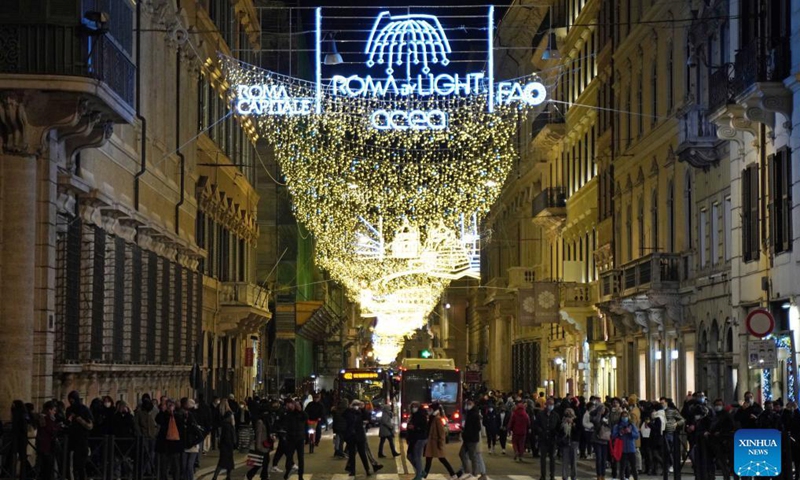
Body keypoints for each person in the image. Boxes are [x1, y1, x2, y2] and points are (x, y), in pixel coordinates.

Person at [423, 403, 457, 479]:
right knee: (429, 459)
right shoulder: (432, 417)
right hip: (431, 443)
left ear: (434, 410)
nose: (428, 411)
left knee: (442, 459)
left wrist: (441, 443)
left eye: (430, 409)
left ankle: (453, 474)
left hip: (435, 443)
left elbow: (441, 433)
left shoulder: (437, 419)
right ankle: (424, 475)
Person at [65, 391, 94, 480]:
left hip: (82, 440)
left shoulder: (84, 409)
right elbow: (67, 422)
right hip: (72, 440)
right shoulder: (69, 410)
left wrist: (81, 420)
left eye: (73, 400)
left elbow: (90, 425)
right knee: (71, 465)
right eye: (70, 400)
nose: (71, 402)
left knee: (81, 465)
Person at [458, 399, 487, 480]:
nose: (467, 405)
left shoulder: (474, 414)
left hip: (471, 439)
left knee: (473, 456)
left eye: (469, 404)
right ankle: (468, 471)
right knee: (463, 454)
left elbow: (477, 428)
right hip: (467, 438)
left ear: (473, 404)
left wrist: (468, 432)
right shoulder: (470, 413)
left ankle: (474, 472)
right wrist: (464, 430)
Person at [156, 399, 182, 480]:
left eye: (171, 405)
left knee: (175, 466)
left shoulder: (177, 415)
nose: (170, 407)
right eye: (168, 405)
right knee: (163, 466)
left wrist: (173, 414)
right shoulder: (163, 415)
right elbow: (158, 420)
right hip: (164, 445)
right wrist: (163, 411)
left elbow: (180, 425)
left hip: (174, 444)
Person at [344, 400, 372, 476]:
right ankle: (352, 471)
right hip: (351, 437)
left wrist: (362, 409)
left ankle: (367, 470)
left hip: (359, 436)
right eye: (355, 405)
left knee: (362, 454)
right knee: (352, 455)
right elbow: (344, 420)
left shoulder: (361, 412)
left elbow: (367, 417)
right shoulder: (348, 412)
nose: (356, 406)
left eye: (358, 405)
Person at [282, 399, 307, 480]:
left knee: (301, 458)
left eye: (298, 405)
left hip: (300, 438)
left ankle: (300, 475)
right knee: (289, 457)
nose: (296, 406)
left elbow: (306, 417)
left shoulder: (301, 414)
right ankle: (287, 471)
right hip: (291, 438)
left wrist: (300, 410)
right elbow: (285, 421)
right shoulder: (289, 413)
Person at [243, 409, 272, 480]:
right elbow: (258, 434)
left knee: (266, 461)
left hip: (266, 444)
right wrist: (258, 446)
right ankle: (249, 474)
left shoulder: (266, 421)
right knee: (259, 463)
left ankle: (264, 476)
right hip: (261, 445)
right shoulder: (260, 422)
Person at [536, 397, 561, 480]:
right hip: (543, 439)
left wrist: (556, 434)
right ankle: (543, 476)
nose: (550, 406)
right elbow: (536, 425)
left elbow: (558, 427)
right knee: (543, 459)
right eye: (549, 404)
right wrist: (540, 431)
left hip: (552, 440)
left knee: (552, 459)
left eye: (552, 404)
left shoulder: (556, 415)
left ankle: (552, 476)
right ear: (546, 405)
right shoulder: (540, 414)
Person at [612, 411, 640, 480]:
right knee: (622, 467)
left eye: (626, 416)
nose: (625, 418)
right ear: (621, 417)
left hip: (631, 448)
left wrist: (630, 432)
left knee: (633, 466)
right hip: (622, 449)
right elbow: (613, 436)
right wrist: (620, 433)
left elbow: (637, 435)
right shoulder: (617, 426)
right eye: (623, 416)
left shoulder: (632, 425)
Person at [111, 401, 136, 478]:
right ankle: (117, 476)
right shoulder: (115, 417)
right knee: (117, 461)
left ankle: (127, 476)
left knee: (126, 461)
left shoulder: (129, 417)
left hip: (127, 442)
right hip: (117, 441)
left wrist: (127, 414)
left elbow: (133, 426)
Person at [36, 401, 60, 480]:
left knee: (47, 468)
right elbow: (51, 429)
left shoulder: (47, 418)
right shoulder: (45, 419)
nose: (55, 412)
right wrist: (57, 426)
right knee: (46, 468)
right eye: (54, 410)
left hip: (46, 446)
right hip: (46, 446)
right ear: (49, 410)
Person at [407, 402, 429, 480]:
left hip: (420, 438)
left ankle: (419, 475)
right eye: (412, 406)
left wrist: (415, 427)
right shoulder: (413, 415)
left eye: (415, 406)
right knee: (409, 456)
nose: (414, 408)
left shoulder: (421, 415)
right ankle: (421, 471)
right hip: (413, 438)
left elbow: (424, 427)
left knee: (417, 457)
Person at [559, 408, 580, 480]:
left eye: (570, 413)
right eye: (567, 413)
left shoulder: (576, 420)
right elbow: (560, 431)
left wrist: (573, 424)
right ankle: (565, 477)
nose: (569, 415)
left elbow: (578, 432)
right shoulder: (562, 421)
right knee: (565, 462)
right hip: (565, 443)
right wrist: (564, 424)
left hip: (573, 443)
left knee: (573, 462)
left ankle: (573, 477)